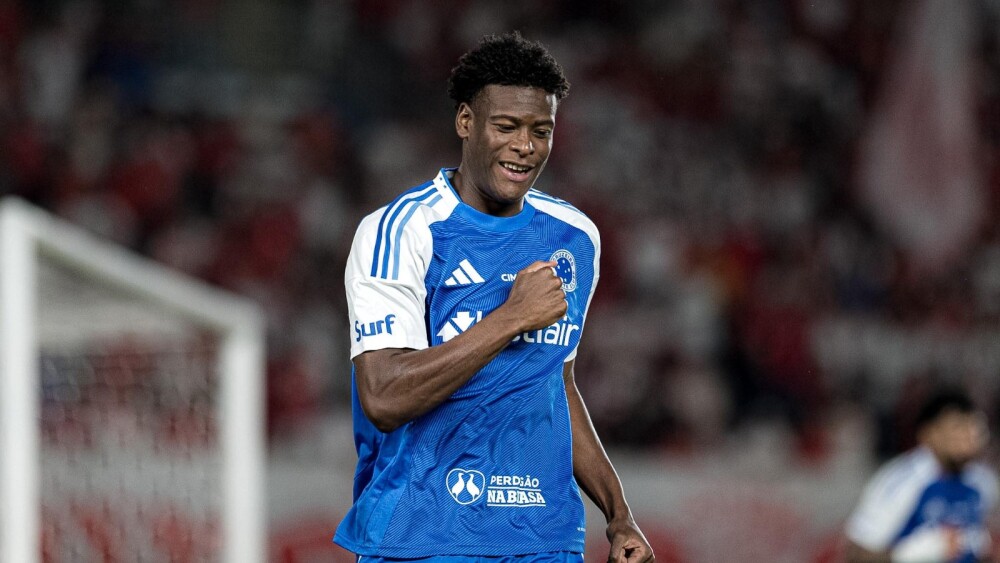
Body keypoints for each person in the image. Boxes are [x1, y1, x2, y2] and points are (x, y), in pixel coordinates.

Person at [333, 31, 654, 563]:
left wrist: (619, 515)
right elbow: (385, 398)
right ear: (466, 122)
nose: (525, 146)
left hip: (544, 537)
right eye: (506, 126)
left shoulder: (575, 237)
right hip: (423, 535)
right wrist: (510, 318)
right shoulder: (402, 231)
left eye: (541, 131)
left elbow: (556, 382)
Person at [844, 388, 998, 563]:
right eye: (957, 427)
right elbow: (856, 555)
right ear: (928, 434)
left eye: (973, 427)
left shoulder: (983, 481)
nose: (967, 436)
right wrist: (906, 555)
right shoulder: (902, 481)